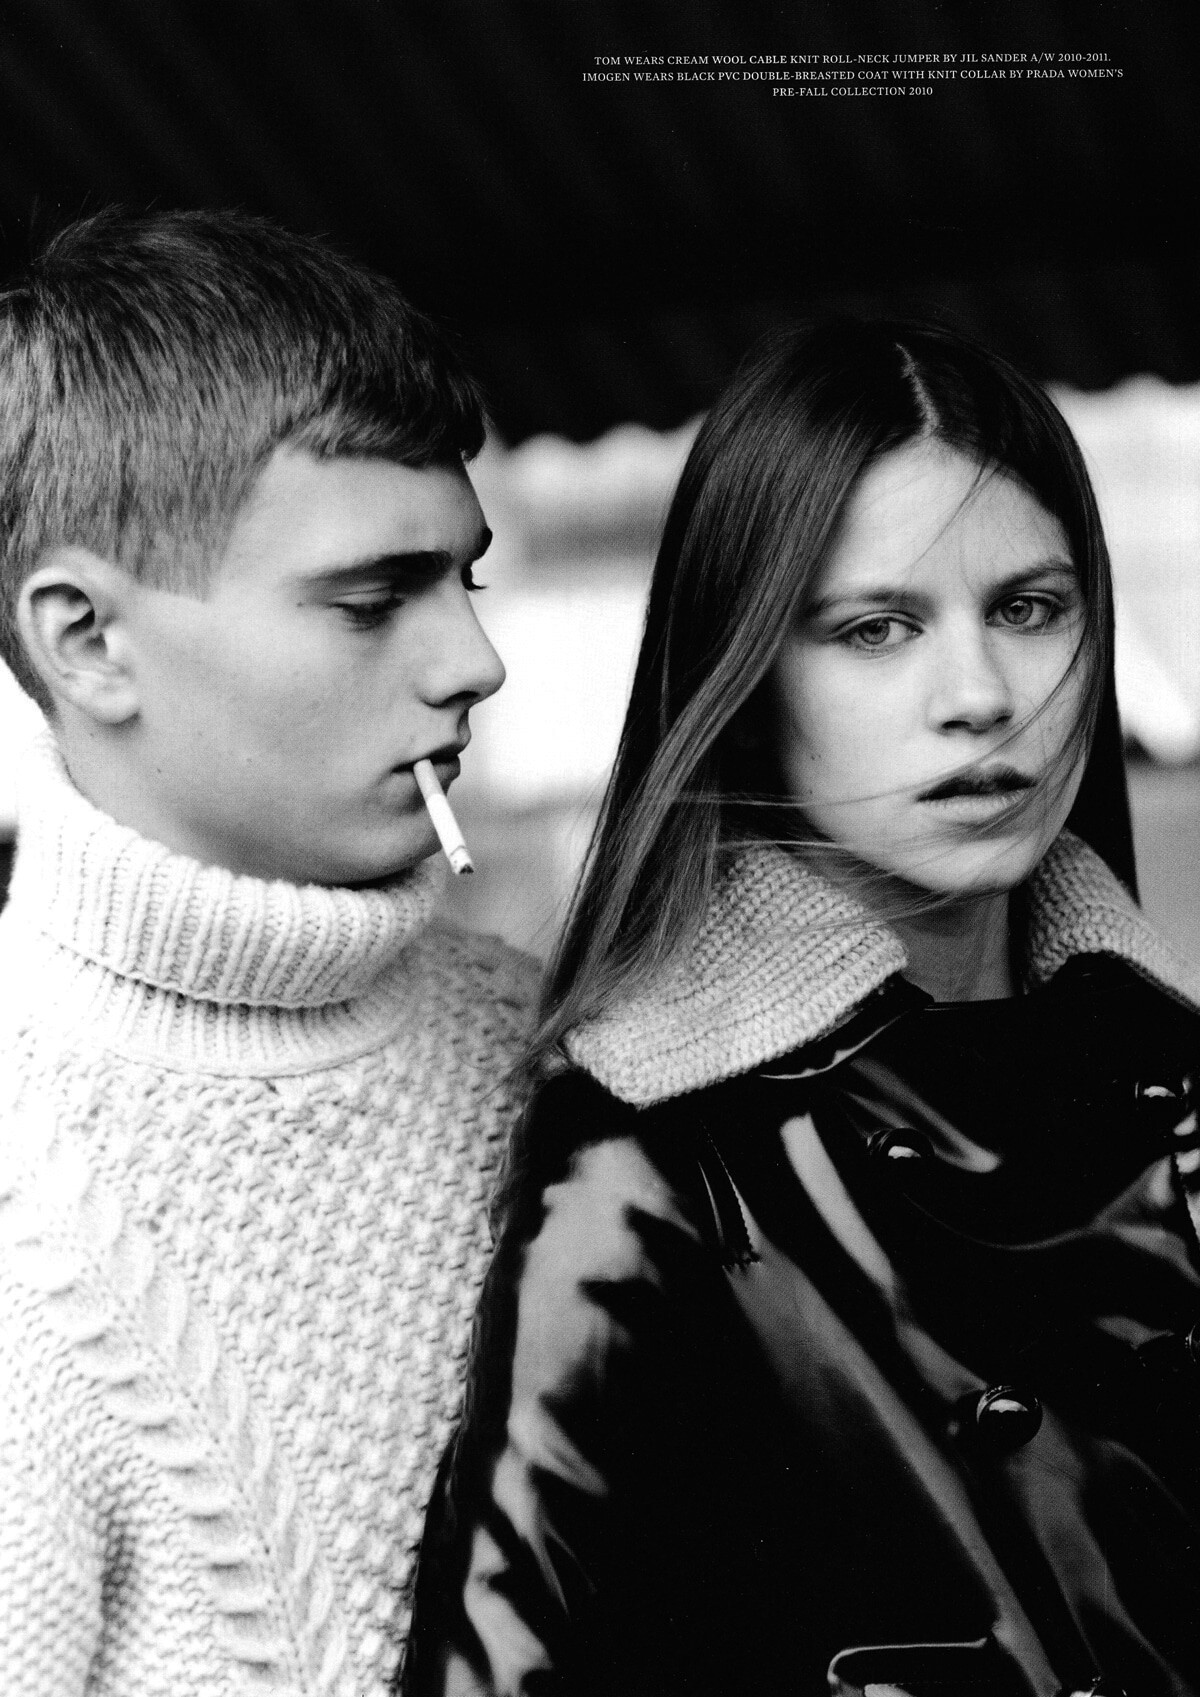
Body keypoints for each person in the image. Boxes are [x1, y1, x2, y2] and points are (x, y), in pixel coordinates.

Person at [403, 319, 1200, 1697]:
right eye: (876, 629)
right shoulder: (653, 1151)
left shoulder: (1172, 1079)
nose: (981, 698)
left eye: (1031, 608)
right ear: (749, 675)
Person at [0, 208, 536, 1697]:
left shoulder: (545, 1039)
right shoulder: (21, 1196)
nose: (474, 661)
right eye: (373, 600)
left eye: (467, 580)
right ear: (87, 642)